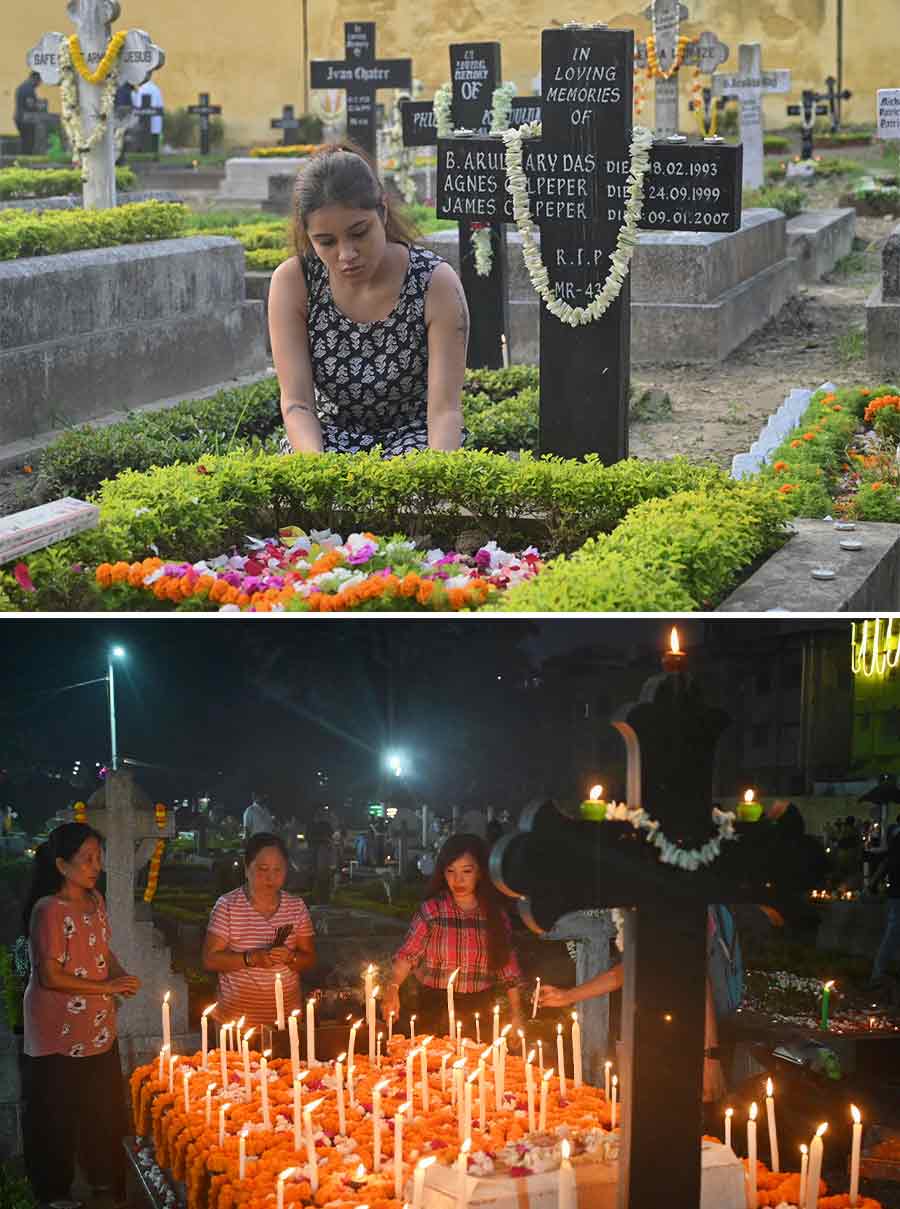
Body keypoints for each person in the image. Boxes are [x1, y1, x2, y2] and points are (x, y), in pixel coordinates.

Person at [268, 142, 468, 456]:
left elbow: (445, 411)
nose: (346, 254)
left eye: (359, 233)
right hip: (330, 436)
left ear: (383, 211)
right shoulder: (294, 283)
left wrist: (434, 481)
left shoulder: (434, 282)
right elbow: (297, 405)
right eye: (326, 242)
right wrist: (318, 472)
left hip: (417, 437)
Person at [21, 823, 141, 1208]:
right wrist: (107, 988)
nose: (96, 866)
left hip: (97, 1027)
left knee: (103, 1107)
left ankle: (105, 1179)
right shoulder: (49, 910)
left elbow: (101, 951)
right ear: (61, 864)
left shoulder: (95, 901)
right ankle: (54, 1192)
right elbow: (50, 975)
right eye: (87, 859)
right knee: (54, 1112)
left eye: (98, 858)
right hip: (57, 1030)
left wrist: (118, 975)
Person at [381, 834, 524, 1037]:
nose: (458, 880)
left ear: (481, 872)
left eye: (467, 871)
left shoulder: (494, 916)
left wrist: (517, 1014)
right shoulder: (433, 911)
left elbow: (508, 970)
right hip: (434, 1008)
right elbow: (407, 955)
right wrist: (392, 988)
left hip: (478, 1010)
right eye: (451, 871)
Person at [202, 833, 316, 1029]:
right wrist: (250, 958)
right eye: (263, 869)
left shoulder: (295, 907)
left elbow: (309, 958)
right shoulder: (228, 906)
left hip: (285, 1023)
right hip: (235, 1023)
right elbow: (210, 960)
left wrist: (290, 958)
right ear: (247, 869)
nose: (271, 877)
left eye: (278, 870)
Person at [869, 825, 900, 987]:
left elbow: (886, 862)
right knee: (892, 933)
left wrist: (874, 882)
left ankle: (879, 973)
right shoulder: (897, 840)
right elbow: (888, 862)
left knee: (892, 933)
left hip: (895, 892)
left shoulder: (895, 839)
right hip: (897, 893)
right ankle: (878, 974)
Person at [133, 77, 163, 156]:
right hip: (154, 118)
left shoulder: (141, 89)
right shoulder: (156, 89)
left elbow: (137, 104)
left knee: (143, 137)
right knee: (154, 136)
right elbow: (160, 105)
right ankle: (154, 154)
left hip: (143, 119)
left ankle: (142, 153)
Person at [14, 71, 41, 156]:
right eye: (39, 81)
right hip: (26, 119)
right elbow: (30, 104)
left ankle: (23, 161)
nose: (39, 84)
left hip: (19, 117)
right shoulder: (28, 88)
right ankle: (26, 161)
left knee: (24, 141)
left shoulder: (22, 87)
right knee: (29, 142)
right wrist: (39, 107)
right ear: (34, 79)